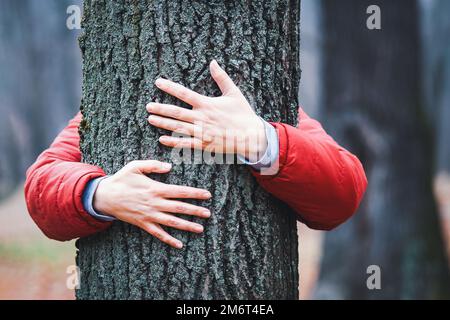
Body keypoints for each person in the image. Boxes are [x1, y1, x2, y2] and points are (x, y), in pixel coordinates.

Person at [25, 60, 367, 249]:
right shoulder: (108, 109)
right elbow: (40, 188)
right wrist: (98, 194)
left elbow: (343, 195)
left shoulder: (272, 101)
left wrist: (260, 140)